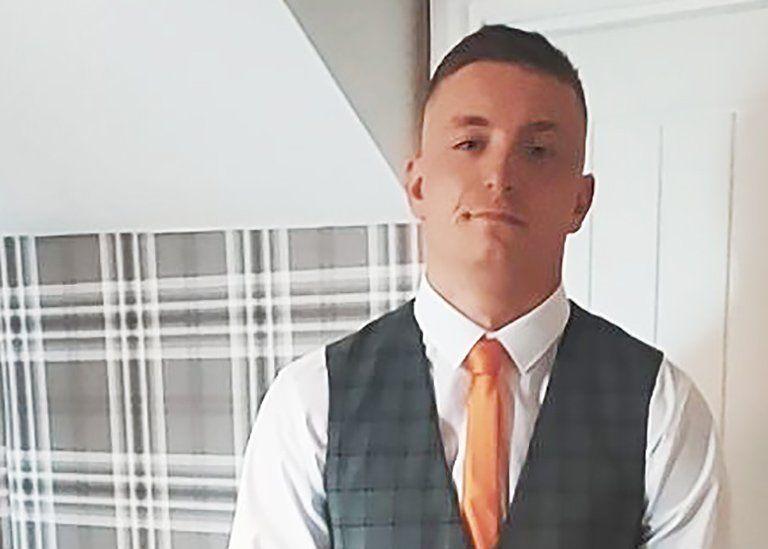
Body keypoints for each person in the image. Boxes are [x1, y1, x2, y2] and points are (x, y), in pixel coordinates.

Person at [228, 24, 721, 549]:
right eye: (470, 143)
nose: (500, 174)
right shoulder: (310, 402)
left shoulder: (661, 408)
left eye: (536, 150)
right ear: (417, 185)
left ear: (580, 200)